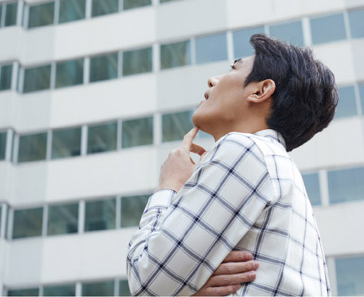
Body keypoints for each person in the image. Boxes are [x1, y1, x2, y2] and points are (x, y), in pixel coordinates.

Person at [126, 34, 337, 296]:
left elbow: (145, 280)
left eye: (234, 68)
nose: (212, 80)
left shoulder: (244, 149)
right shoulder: (282, 171)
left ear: (261, 90)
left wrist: (168, 185)